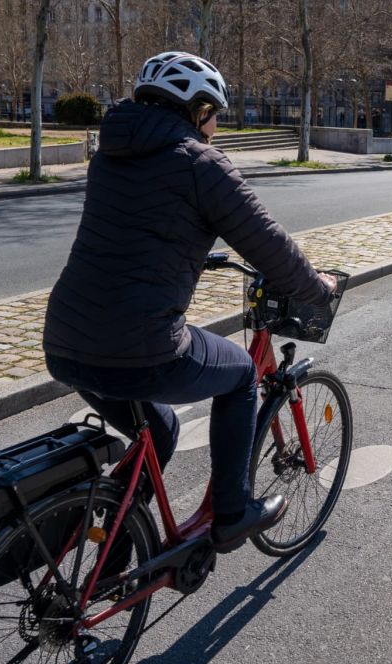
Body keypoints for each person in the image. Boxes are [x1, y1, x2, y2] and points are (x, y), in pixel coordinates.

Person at [42, 52, 337, 554]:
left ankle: (111, 561)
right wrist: (318, 286)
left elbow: (135, 233)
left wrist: (191, 251)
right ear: (198, 110)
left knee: (158, 434)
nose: (216, 127)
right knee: (243, 375)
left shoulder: (110, 154)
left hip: (66, 343)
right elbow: (268, 244)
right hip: (142, 348)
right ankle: (231, 512)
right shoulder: (199, 162)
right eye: (215, 114)